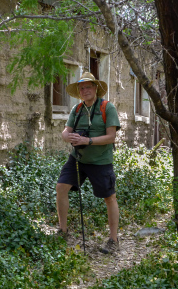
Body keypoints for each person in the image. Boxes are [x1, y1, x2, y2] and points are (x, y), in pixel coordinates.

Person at [56, 71, 121, 254]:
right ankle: (63, 230)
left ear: (95, 88)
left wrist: (88, 141)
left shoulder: (107, 108)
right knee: (61, 187)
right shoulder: (76, 110)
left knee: (109, 197)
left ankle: (113, 239)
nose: (85, 90)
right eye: (81, 88)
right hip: (78, 158)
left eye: (88, 87)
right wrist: (67, 136)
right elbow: (65, 131)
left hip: (101, 161)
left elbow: (111, 137)